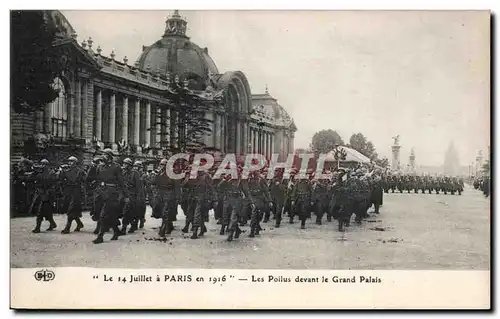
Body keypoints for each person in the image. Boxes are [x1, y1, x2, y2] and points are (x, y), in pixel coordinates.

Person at [90, 149, 129, 244]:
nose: (103, 156)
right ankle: (116, 231)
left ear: (110, 156)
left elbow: (122, 182)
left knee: (103, 215)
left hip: (112, 194)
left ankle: (100, 237)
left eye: (105, 154)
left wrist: (126, 195)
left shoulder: (116, 167)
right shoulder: (100, 167)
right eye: (102, 154)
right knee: (108, 216)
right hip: (100, 193)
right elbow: (96, 179)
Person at [59, 156, 86, 234]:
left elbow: (85, 181)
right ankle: (79, 224)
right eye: (69, 161)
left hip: (76, 192)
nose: (69, 163)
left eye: (71, 162)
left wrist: (83, 191)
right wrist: (61, 171)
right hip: (68, 192)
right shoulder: (66, 171)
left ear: (75, 163)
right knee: (70, 210)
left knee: (71, 209)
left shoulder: (80, 171)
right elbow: (60, 179)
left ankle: (67, 227)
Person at [31, 159, 58, 233]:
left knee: (41, 212)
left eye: (44, 164)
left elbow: (55, 184)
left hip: (49, 196)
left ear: (47, 165)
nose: (42, 166)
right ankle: (52, 223)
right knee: (47, 211)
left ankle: (37, 228)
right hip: (42, 194)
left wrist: (49, 192)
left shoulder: (52, 173)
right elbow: (37, 183)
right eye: (42, 164)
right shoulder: (40, 174)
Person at [120, 158, 142, 235]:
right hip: (123, 194)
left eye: (126, 164)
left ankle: (123, 228)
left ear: (129, 165)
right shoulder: (123, 172)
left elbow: (138, 187)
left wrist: (138, 197)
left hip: (131, 195)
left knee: (126, 211)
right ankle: (132, 225)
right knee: (126, 211)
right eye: (124, 163)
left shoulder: (135, 173)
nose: (124, 165)